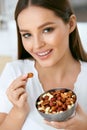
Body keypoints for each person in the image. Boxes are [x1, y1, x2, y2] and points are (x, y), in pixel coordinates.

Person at [0, 0, 87, 129]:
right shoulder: (14, 72)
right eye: (27, 35)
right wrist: (19, 111)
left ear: (71, 24)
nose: (37, 45)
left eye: (47, 30)